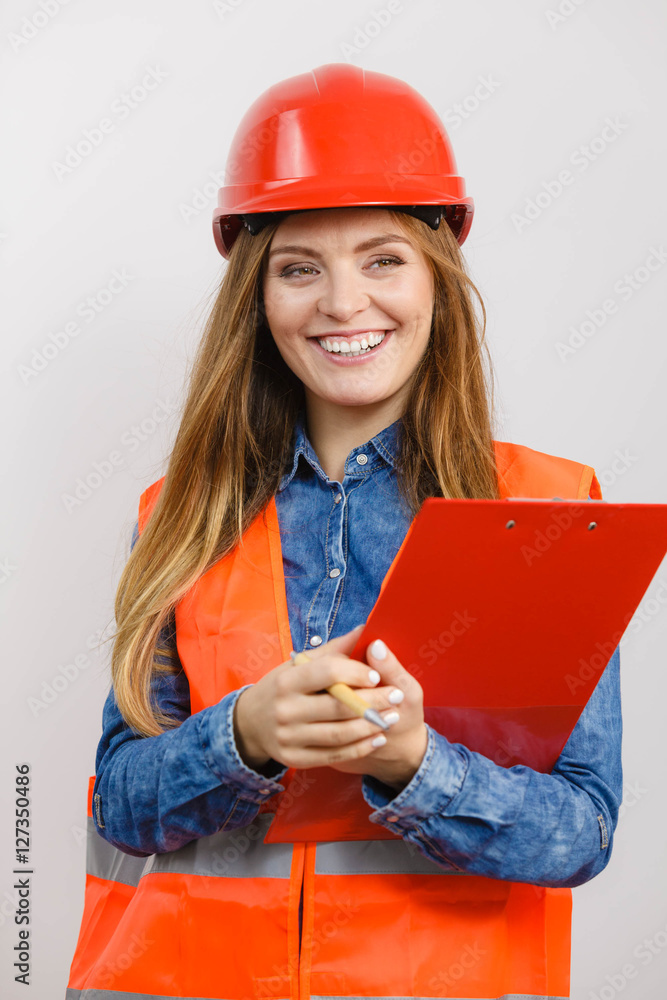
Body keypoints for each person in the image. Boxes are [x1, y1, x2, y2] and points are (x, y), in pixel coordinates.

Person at [65, 64, 622, 1000]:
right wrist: (241, 733)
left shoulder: (541, 509)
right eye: (298, 268)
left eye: (381, 258)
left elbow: (579, 830)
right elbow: (119, 802)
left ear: (437, 276)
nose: (342, 303)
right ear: (258, 295)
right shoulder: (181, 513)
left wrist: (416, 766)